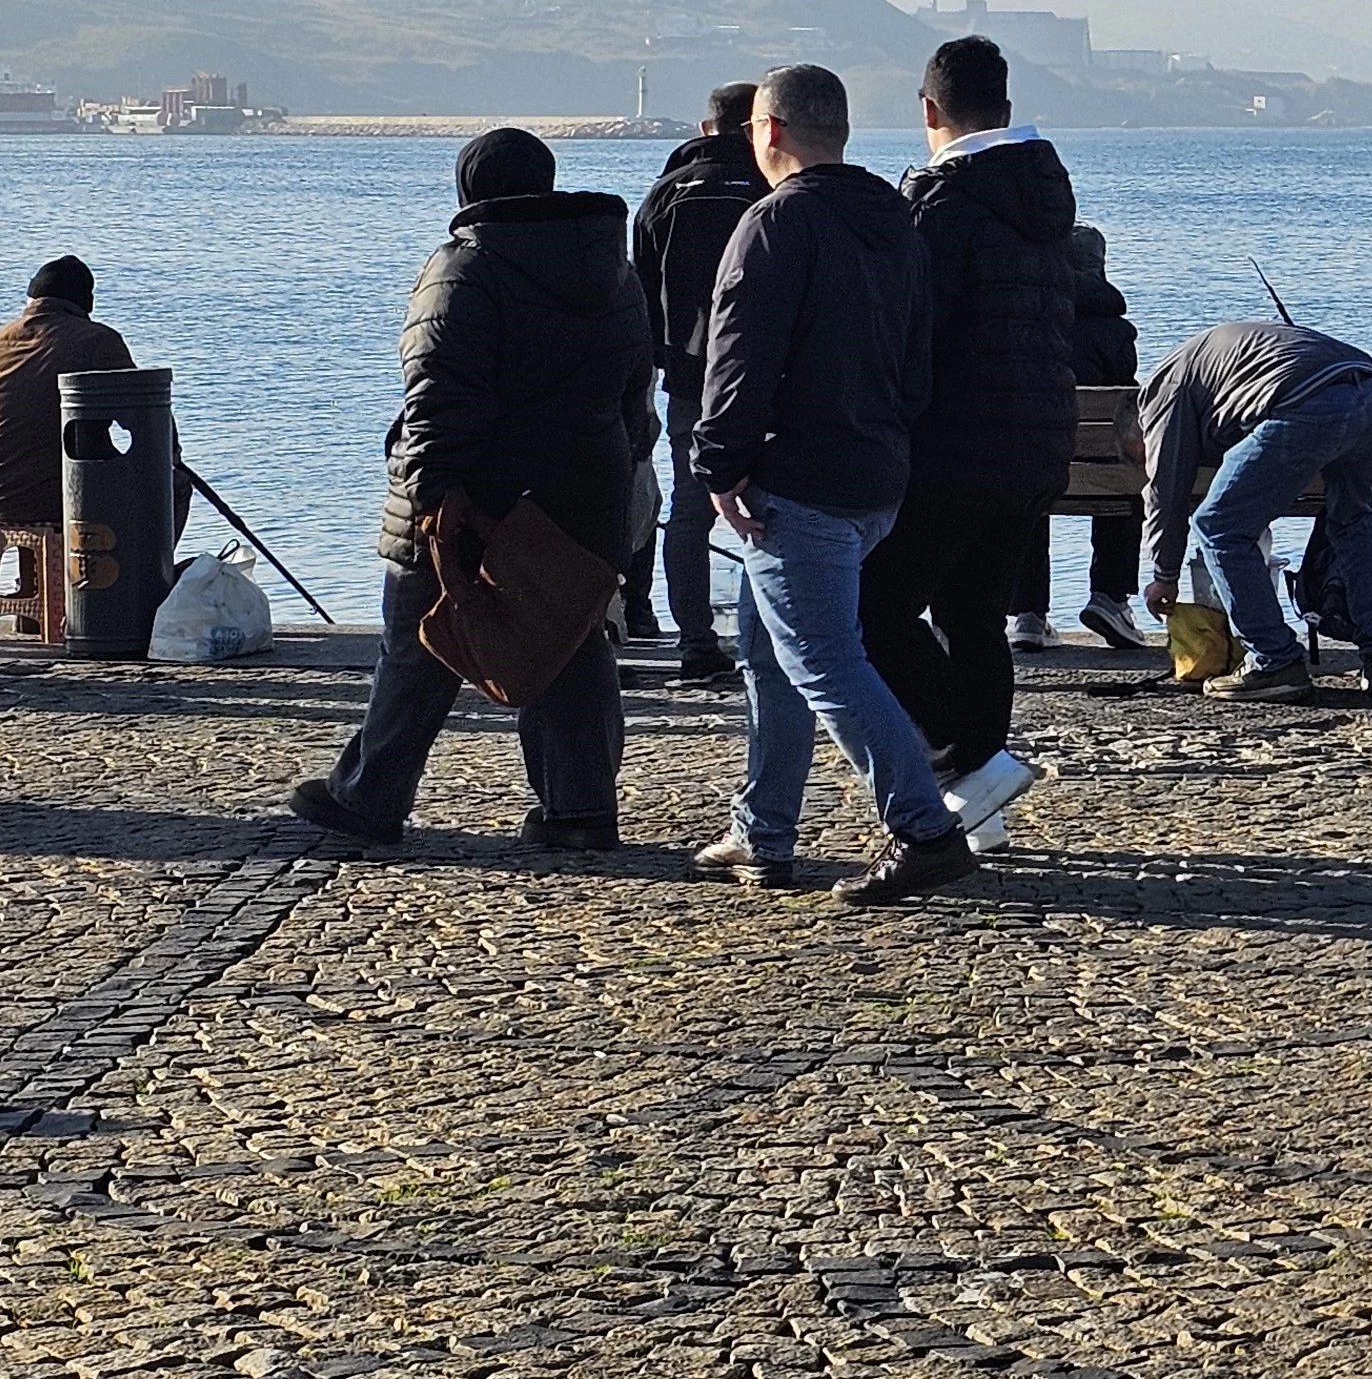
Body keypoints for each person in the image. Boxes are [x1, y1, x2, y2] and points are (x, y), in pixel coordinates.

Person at [288, 131, 653, 850]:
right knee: (570, 638)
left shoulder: (466, 269)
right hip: (585, 489)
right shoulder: (614, 270)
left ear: (468, 192)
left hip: (479, 496)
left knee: (417, 636)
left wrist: (426, 493)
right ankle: (580, 808)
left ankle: (370, 794)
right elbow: (635, 388)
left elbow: (439, 398)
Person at [688, 63, 971, 908]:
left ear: (766, 131)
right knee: (771, 652)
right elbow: (920, 357)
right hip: (877, 471)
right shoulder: (897, 219)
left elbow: (739, 357)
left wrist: (717, 463)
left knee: (822, 660)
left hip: (798, 478)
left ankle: (924, 829)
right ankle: (763, 825)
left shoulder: (774, 225)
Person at [860, 37, 1078, 851]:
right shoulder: (1045, 199)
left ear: (927, 111)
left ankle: (969, 762)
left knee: (869, 607)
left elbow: (913, 335)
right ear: (1008, 110)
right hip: (1036, 441)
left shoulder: (942, 206)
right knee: (971, 613)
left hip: (954, 444)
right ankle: (982, 808)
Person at [1138, 319, 1372, 702]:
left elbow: (1166, 490)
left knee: (1218, 527)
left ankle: (1275, 661)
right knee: (1352, 518)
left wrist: (1164, 575)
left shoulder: (1162, 392)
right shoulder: (1207, 364)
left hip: (1307, 402)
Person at [629, 82, 771, 684]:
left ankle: (695, 641)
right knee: (778, 509)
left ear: (705, 127)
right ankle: (774, 638)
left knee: (692, 510)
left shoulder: (664, 194)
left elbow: (639, 290)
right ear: (758, 128)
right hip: (769, 373)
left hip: (688, 375)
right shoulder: (773, 192)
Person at [1008, 223, 1145, 651]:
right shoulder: (1116, 330)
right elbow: (1126, 407)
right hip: (1099, 475)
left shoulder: (1026, 324)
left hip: (1033, 469)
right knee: (1125, 479)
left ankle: (1028, 613)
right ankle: (1110, 597)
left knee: (1028, 478)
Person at [0, 255, 131, 532]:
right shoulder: (97, 340)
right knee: (174, 485)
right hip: (55, 499)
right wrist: (172, 457)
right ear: (87, 304)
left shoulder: (3, 340)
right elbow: (145, 417)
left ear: (30, 300)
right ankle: (137, 573)